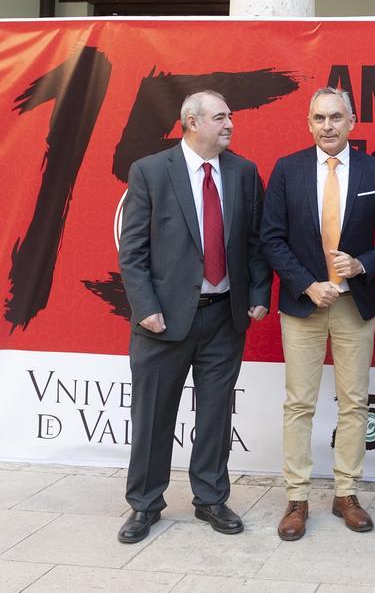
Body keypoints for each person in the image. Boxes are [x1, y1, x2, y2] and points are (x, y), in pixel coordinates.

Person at [117, 90, 271, 543]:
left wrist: (258, 293)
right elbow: (134, 252)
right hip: (162, 322)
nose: (230, 124)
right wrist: (146, 309)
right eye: (220, 117)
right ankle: (145, 505)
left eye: (230, 116)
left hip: (224, 316)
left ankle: (211, 499)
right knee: (152, 416)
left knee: (216, 416)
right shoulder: (150, 171)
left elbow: (255, 243)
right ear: (191, 122)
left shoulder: (243, 172)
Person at [260, 87, 375, 540]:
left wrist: (363, 265)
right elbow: (271, 238)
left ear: (352, 121)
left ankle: (346, 493)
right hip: (304, 304)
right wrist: (307, 283)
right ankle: (297, 498)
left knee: (355, 402)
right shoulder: (288, 169)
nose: (327, 126)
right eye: (319, 118)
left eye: (336, 117)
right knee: (299, 402)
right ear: (308, 122)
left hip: (353, 304)